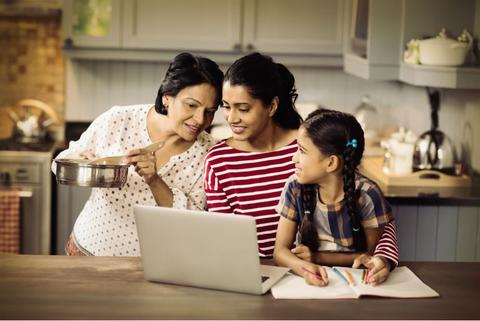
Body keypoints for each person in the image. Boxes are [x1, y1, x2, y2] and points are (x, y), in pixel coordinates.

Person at [203, 52, 398, 284]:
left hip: (325, 273)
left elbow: (361, 206)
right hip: (254, 274)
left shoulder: (311, 146)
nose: (231, 118)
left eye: (243, 108)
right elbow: (224, 239)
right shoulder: (218, 161)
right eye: (226, 107)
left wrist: (381, 258)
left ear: (272, 105)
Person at [52, 52, 223, 256]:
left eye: (210, 111)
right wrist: (84, 163)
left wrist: (154, 180)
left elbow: (194, 223)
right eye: (191, 105)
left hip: (156, 268)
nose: (199, 119)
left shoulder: (210, 153)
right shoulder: (118, 119)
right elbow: (61, 163)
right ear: (167, 97)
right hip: (88, 251)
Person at [273, 108, 394, 286]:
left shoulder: (367, 194)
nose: (294, 158)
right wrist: (304, 268)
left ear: (331, 163)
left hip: (355, 283)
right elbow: (280, 251)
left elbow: (367, 256)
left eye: (302, 151)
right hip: (308, 284)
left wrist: (316, 257)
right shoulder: (294, 187)